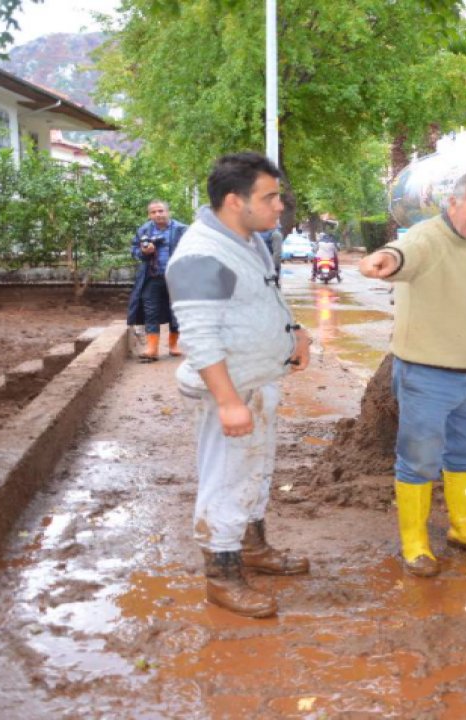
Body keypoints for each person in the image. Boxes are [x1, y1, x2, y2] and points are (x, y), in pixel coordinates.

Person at [165, 152, 314, 618]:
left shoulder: (245, 238)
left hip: (259, 378)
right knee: (227, 480)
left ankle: (252, 547)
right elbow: (199, 337)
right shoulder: (200, 255)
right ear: (234, 200)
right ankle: (222, 578)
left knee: (255, 470)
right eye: (270, 197)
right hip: (229, 389)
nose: (280, 206)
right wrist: (229, 402)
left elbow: (266, 294)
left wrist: (296, 332)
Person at [358, 171, 466, 578]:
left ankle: (465, 528)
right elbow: (402, 255)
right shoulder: (426, 237)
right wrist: (384, 261)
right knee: (419, 459)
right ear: (454, 203)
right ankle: (415, 542)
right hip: (426, 374)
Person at [127, 200, 187, 361]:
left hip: (177, 279)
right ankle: (152, 348)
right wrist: (144, 251)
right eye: (153, 212)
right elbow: (134, 250)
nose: (157, 214)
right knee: (150, 311)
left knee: (177, 311)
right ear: (149, 215)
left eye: (160, 211)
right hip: (151, 277)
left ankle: (174, 345)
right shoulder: (144, 230)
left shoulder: (182, 229)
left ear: (168, 212)